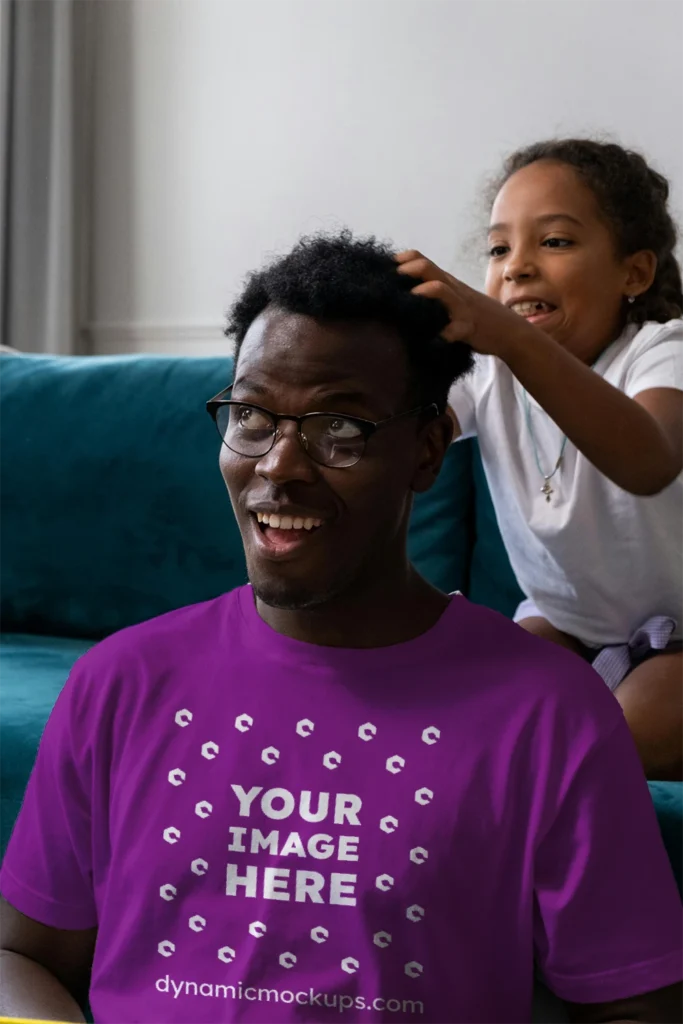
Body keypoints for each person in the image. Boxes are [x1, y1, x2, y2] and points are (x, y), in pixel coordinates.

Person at [1, 232, 683, 1023]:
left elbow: (636, 1008)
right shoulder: (118, 684)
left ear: (427, 450)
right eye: (252, 415)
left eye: (339, 428)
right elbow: (22, 955)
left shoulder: (549, 714)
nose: (280, 464)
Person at [397, 139, 683, 781]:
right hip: (567, 625)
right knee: (468, 714)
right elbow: (410, 434)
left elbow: (651, 460)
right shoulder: (488, 371)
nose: (516, 266)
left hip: (681, 642)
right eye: (499, 249)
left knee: (615, 741)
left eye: (553, 242)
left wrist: (510, 337)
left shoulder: (663, 351)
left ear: (633, 274)